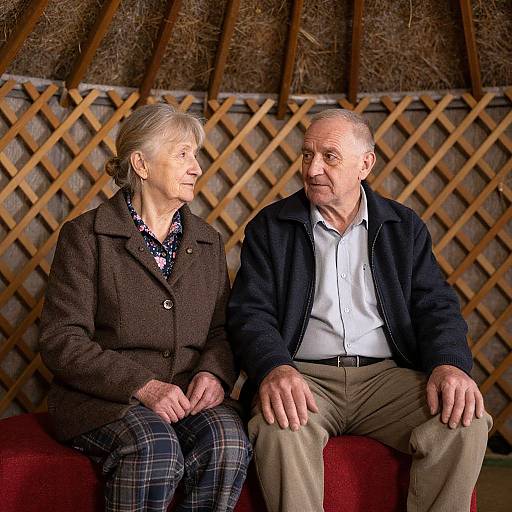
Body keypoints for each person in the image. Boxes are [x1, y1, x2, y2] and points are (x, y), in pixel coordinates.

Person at [228, 109, 492, 512]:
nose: (313, 168)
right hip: (304, 376)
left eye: (329, 156)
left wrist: (448, 365)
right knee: (279, 426)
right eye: (306, 155)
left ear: (364, 164)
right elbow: (250, 313)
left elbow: (436, 306)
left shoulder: (402, 227)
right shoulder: (271, 227)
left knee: (465, 422)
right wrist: (275, 368)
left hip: (386, 379)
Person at [39, 104, 251, 512]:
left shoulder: (207, 242)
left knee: (227, 442)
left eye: (196, 155)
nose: (197, 167)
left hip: (187, 395)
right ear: (142, 163)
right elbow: (61, 340)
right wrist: (143, 385)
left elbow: (223, 332)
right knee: (155, 447)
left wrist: (213, 372)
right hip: (108, 399)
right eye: (183, 154)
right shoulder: (87, 237)